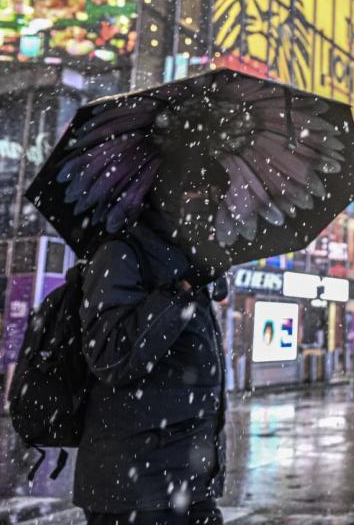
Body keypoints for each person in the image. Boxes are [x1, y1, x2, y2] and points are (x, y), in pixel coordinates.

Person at [76, 203, 230, 524]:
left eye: (216, 191)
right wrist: (184, 287)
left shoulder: (184, 256)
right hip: (135, 490)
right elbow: (111, 357)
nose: (210, 200)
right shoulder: (122, 252)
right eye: (198, 189)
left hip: (190, 484)